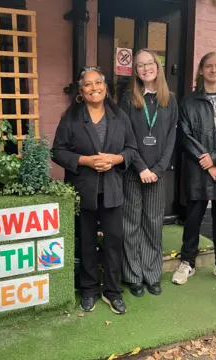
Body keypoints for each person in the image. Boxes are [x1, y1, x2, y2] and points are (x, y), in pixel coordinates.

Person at [52, 66, 138, 315]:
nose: (94, 88)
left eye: (98, 82)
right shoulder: (72, 118)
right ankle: (88, 290)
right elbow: (58, 151)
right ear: (81, 91)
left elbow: (132, 149)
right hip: (84, 188)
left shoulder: (120, 116)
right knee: (87, 242)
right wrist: (85, 161)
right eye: (88, 85)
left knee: (113, 242)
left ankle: (112, 292)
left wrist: (115, 159)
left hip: (112, 189)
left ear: (105, 87)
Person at [172, 52, 216, 286]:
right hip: (198, 167)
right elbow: (185, 136)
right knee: (193, 217)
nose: (213, 70)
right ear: (200, 70)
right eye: (208, 66)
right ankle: (187, 262)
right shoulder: (188, 102)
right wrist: (207, 162)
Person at [119, 49, 178, 297]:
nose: (145, 68)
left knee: (153, 225)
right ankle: (133, 276)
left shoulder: (169, 99)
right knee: (130, 225)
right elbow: (125, 136)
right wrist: (141, 167)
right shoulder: (128, 99)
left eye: (149, 63)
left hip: (157, 174)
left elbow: (171, 136)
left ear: (158, 65)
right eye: (140, 65)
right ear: (135, 71)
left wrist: (158, 169)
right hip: (134, 172)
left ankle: (152, 275)